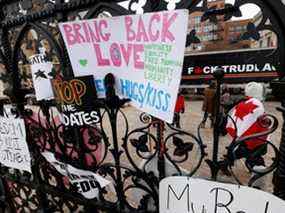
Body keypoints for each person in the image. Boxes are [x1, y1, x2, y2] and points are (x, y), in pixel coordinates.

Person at [223, 82, 268, 174]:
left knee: (242, 152)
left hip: (247, 134)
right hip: (253, 135)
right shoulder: (256, 103)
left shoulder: (245, 102)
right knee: (251, 153)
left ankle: (226, 164)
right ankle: (256, 171)